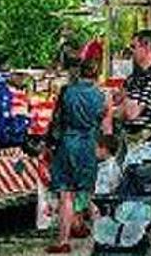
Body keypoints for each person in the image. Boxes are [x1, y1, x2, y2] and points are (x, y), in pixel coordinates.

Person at [46, 41, 113, 254]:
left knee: (66, 194)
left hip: (67, 144)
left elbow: (56, 121)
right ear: (96, 75)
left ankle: (63, 241)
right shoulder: (102, 96)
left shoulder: (66, 92)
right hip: (88, 145)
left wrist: (48, 145)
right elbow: (107, 128)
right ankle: (105, 239)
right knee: (90, 194)